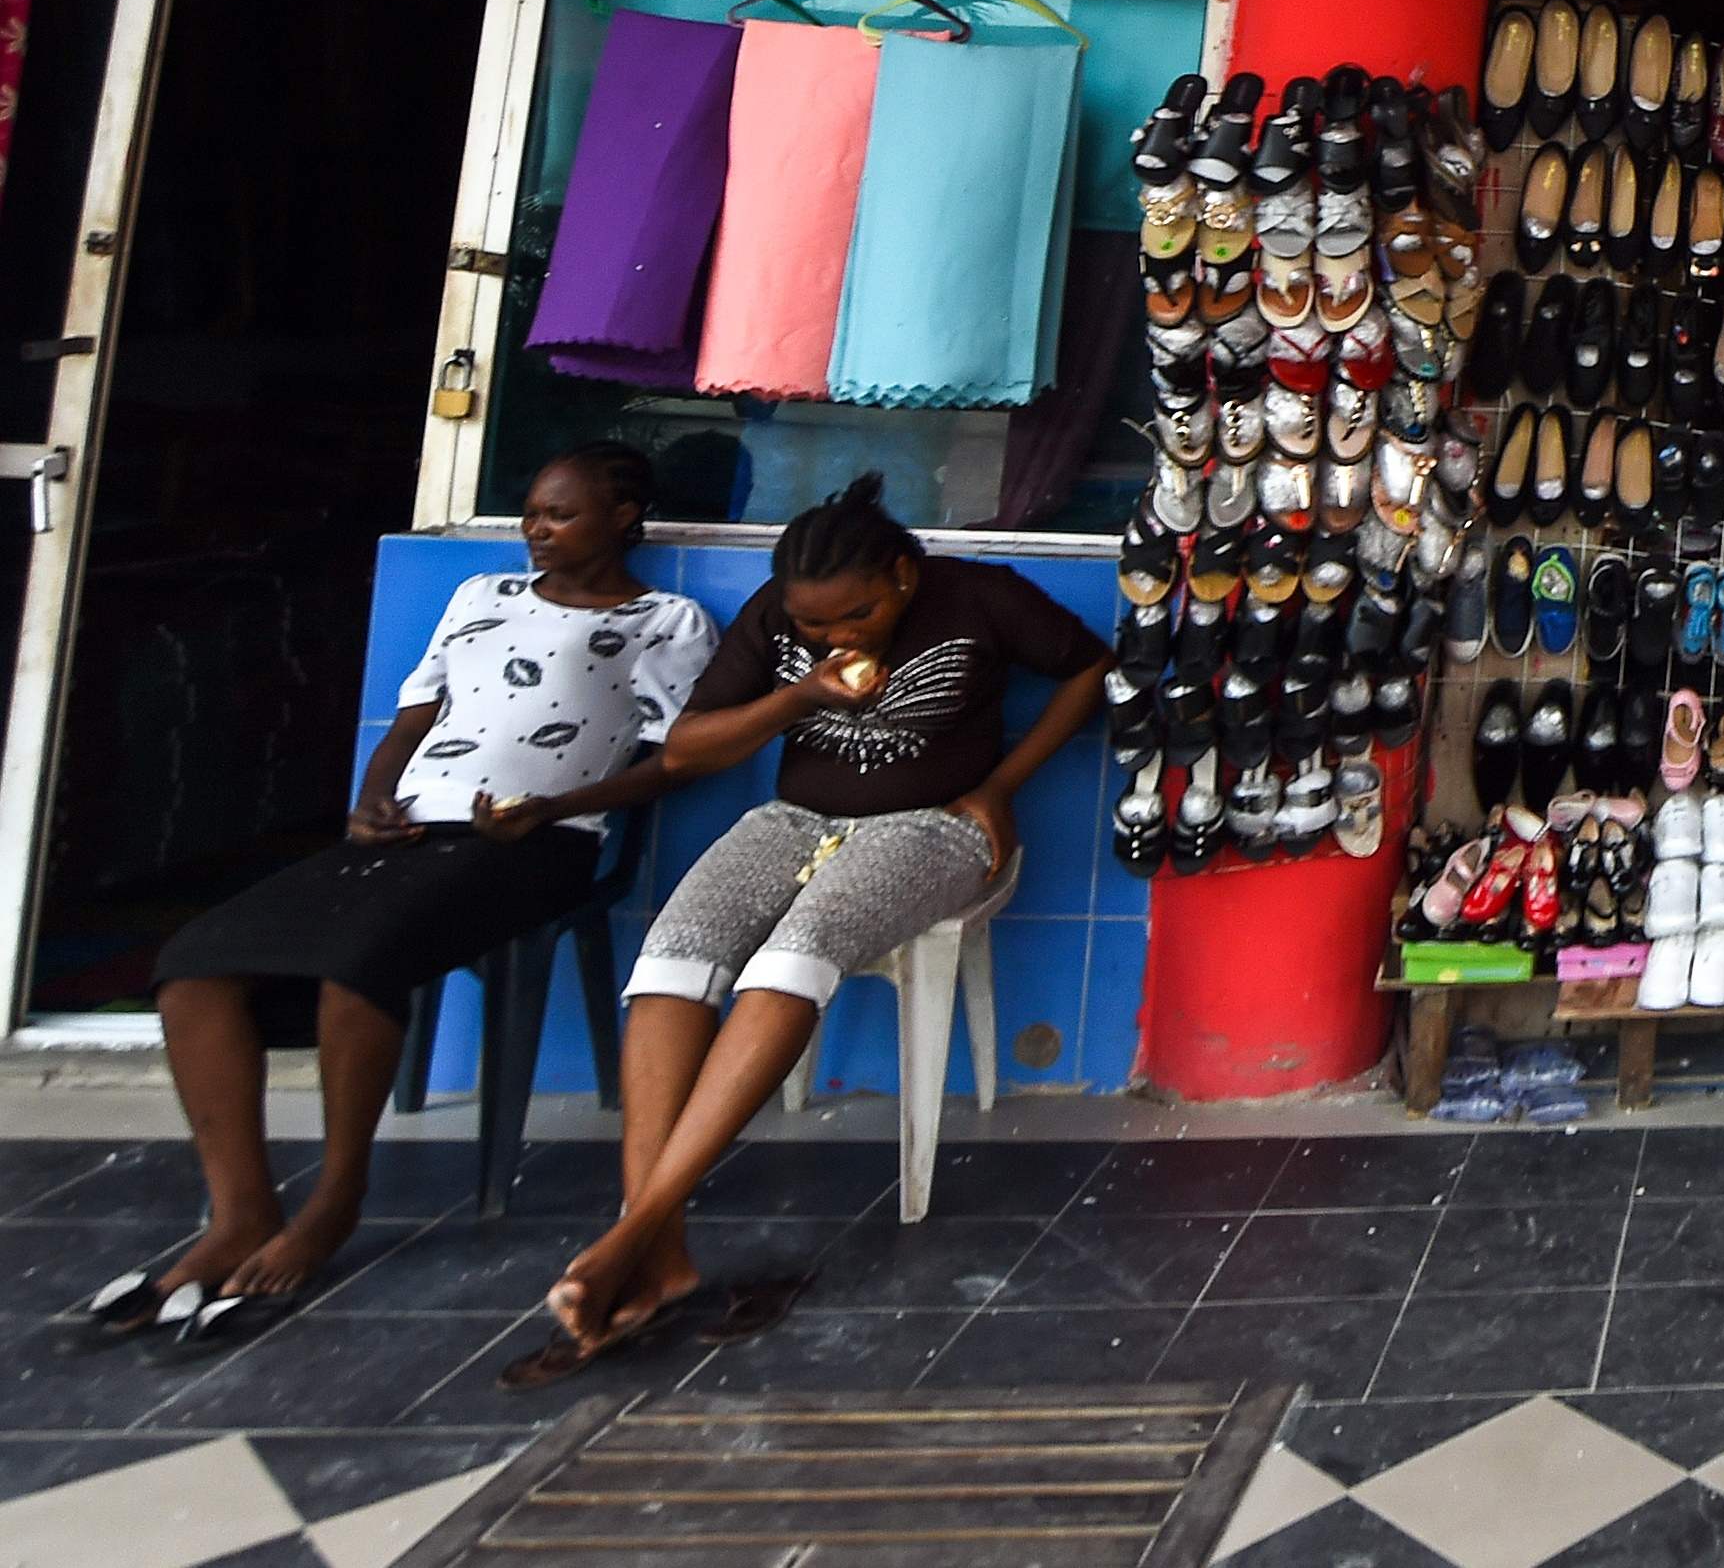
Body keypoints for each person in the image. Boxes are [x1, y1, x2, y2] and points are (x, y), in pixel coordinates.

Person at [60, 446, 713, 1352]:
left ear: (625, 515)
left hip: (540, 844)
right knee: (192, 965)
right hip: (407, 831)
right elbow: (416, 712)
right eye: (530, 511)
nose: (536, 528)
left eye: (560, 514)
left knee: (357, 964)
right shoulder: (482, 595)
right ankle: (239, 1212)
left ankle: (334, 1201)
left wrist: (554, 808)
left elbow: (671, 760)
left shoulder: (665, 619)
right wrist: (373, 796)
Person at [526, 474, 1102, 1375]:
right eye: (815, 626)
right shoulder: (780, 615)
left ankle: (630, 1237)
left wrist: (997, 786)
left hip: (935, 827)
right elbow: (686, 747)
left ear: (904, 575)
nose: (836, 635)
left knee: (794, 958)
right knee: (672, 960)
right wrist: (797, 698)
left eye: (857, 615)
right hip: (792, 822)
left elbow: (1090, 668)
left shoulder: (976, 597)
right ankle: (657, 1247)